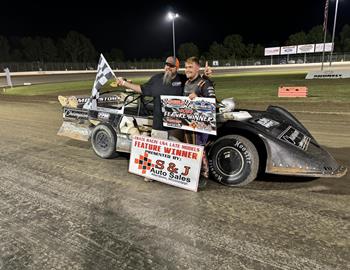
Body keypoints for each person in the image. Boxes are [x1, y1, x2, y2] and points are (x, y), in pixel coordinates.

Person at [183, 56, 216, 187]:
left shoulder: (204, 83)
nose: (187, 70)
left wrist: (198, 98)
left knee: (199, 149)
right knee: (190, 148)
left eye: (190, 67)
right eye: (186, 67)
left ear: (197, 68)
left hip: (201, 124)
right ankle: (192, 174)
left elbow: (213, 102)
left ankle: (204, 175)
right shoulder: (186, 83)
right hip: (187, 123)